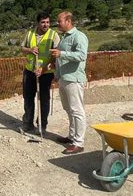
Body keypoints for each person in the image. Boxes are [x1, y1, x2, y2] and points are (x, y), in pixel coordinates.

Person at [50, 11, 89, 155]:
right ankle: (72, 137)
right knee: (68, 109)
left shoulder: (79, 36)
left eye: (60, 21)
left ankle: (79, 143)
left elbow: (82, 55)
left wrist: (62, 54)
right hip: (64, 79)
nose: (57, 23)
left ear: (68, 21)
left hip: (74, 79)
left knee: (77, 110)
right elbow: (61, 59)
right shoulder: (64, 38)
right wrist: (57, 73)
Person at [20, 11, 60, 135]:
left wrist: (45, 68)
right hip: (30, 71)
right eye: (43, 22)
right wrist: (30, 50)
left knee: (43, 99)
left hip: (45, 72)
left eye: (48, 22)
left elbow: (57, 54)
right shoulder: (30, 34)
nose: (46, 25)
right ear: (38, 23)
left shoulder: (54, 35)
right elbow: (22, 49)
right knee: (28, 97)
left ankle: (42, 125)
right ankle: (27, 123)